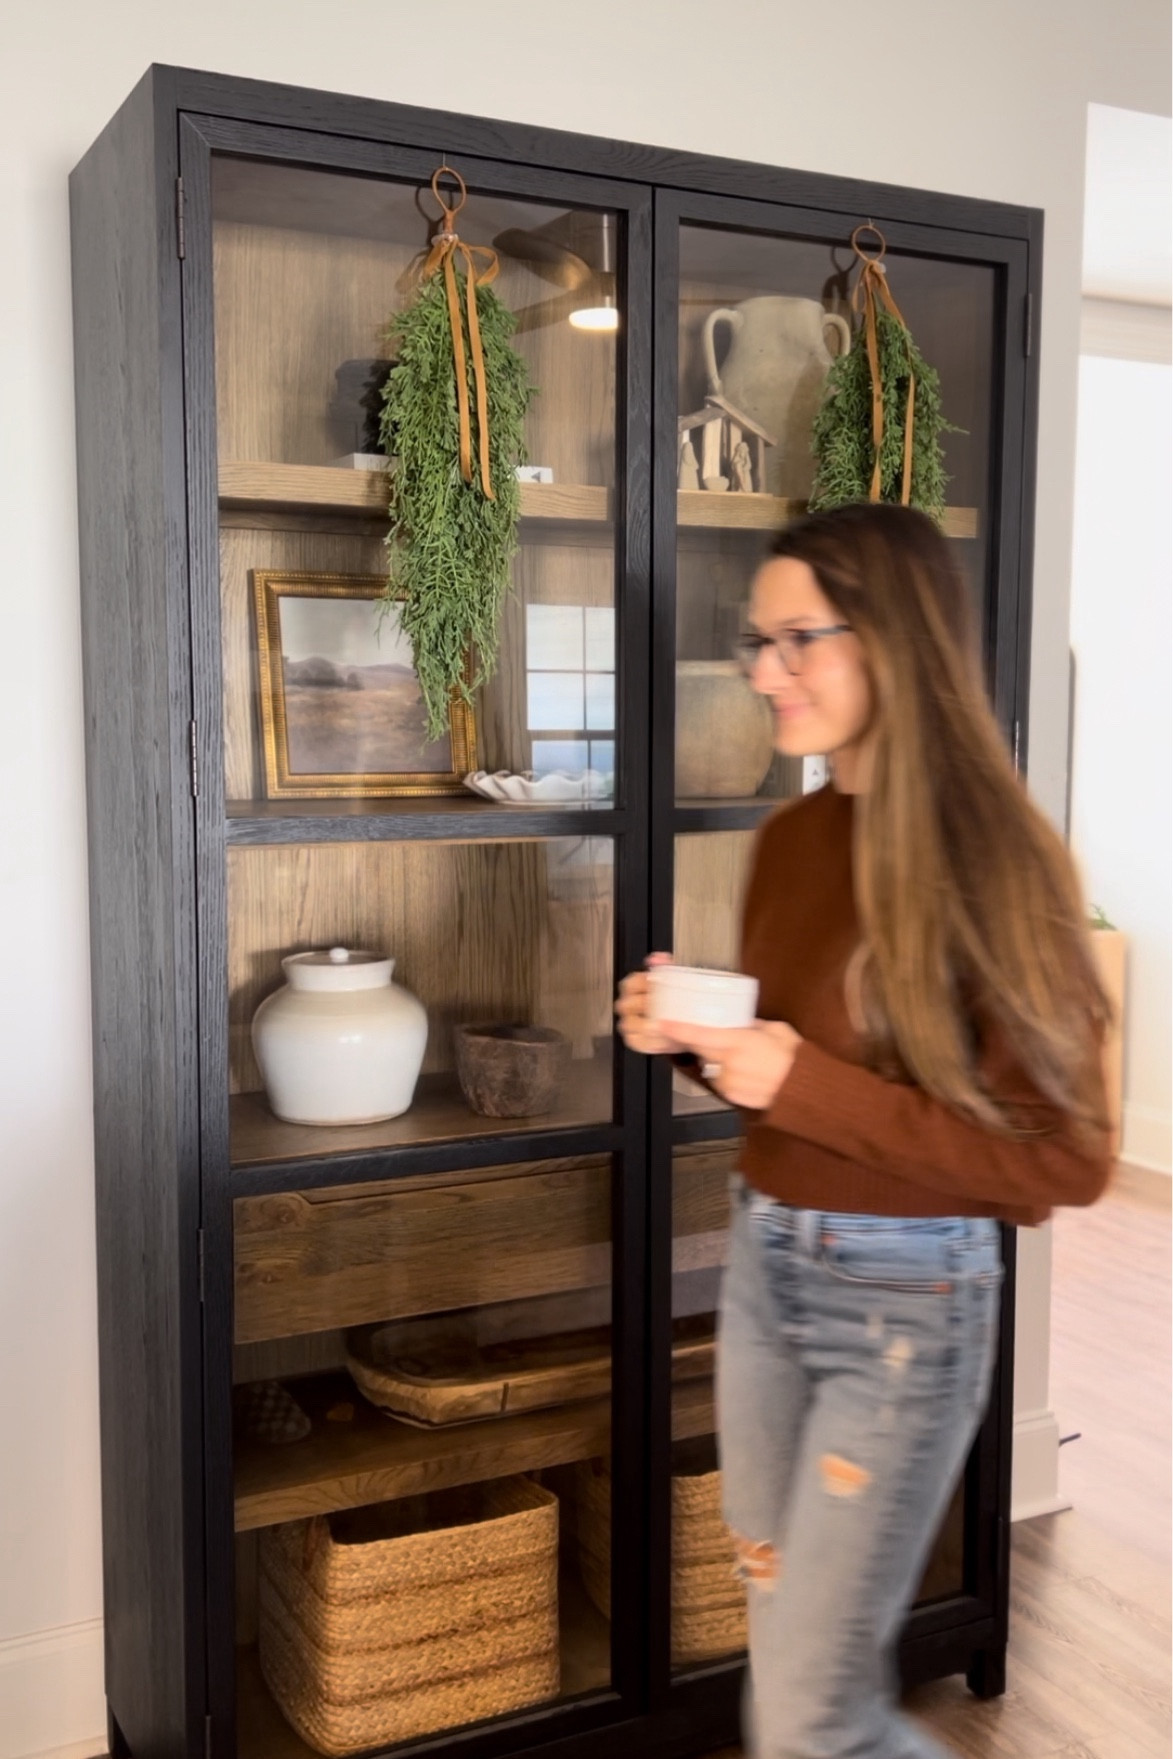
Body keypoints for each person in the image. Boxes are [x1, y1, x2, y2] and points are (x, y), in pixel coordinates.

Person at [616, 502, 1112, 1759]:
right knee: (781, 1646)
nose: (763, 670)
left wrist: (794, 1081)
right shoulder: (790, 838)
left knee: (811, 1718)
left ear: (895, 641)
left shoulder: (1002, 862)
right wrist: (705, 1049)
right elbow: (800, 1084)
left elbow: (1064, 1158)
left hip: (907, 1302)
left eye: (799, 639)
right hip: (768, 1268)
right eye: (756, 641)